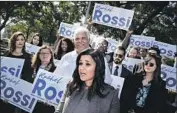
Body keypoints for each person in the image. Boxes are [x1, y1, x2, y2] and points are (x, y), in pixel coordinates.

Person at [56, 49, 120, 113]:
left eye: (87, 64)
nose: (82, 68)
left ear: (98, 67)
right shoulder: (71, 85)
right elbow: (59, 110)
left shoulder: (111, 94)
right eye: (80, 63)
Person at [0, 31, 33, 113]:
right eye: (17, 39)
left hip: (17, 91)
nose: (20, 41)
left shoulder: (28, 56)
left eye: (22, 39)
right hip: (4, 88)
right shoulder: (7, 53)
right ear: (13, 41)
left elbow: (28, 75)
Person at [31, 45, 56, 113]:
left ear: (51, 55)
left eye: (47, 53)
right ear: (38, 55)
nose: (44, 55)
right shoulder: (32, 68)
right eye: (42, 53)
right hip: (30, 103)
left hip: (46, 106)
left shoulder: (56, 70)